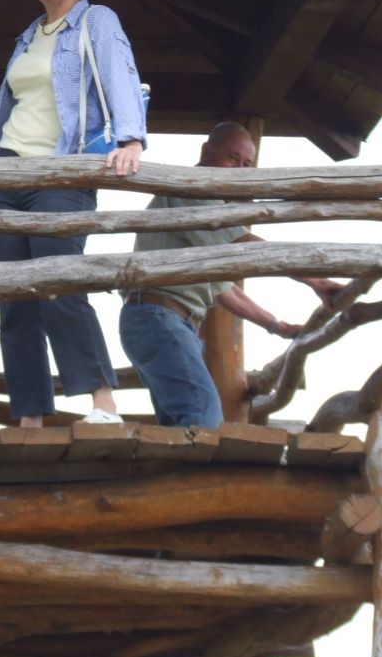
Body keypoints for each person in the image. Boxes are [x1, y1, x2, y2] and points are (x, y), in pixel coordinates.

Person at [0, 0, 145, 428]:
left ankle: (103, 404)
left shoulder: (96, 20)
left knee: (59, 284)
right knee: (15, 300)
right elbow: (9, 112)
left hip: (61, 173)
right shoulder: (27, 36)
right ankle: (30, 417)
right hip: (7, 177)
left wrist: (131, 139)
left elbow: (120, 74)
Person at [119, 122, 341, 428]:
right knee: (202, 417)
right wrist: (316, 280)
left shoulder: (206, 211)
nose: (239, 169)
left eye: (247, 164)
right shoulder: (191, 190)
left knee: (181, 425)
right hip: (158, 317)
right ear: (206, 152)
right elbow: (245, 246)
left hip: (164, 321)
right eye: (232, 158)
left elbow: (225, 290)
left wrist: (276, 326)